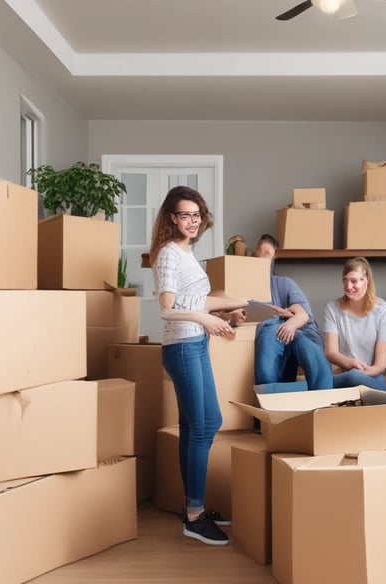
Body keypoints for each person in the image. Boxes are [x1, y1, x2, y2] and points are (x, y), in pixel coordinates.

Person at [149, 185, 248, 546]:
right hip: (182, 347)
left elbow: (196, 300)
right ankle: (194, 515)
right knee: (205, 424)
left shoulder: (186, 252)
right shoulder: (168, 254)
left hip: (194, 343)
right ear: (171, 218)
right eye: (185, 215)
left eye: (197, 215)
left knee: (197, 426)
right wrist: (206, 319)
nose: (192, 221)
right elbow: (166, 309)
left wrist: (230, 310)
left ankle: (193, 508)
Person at [251, 234, 333, 390]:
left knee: (318, 364)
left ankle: (326, 397)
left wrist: (291, 323)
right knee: (267, 374)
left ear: (273, 260)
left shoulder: (284, 283)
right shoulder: (244, 286)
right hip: (272, 332)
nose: (263, 260)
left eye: (268, 255)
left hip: (299, 330)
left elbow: (303, 314)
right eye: (260, 254)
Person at [323, 257, 386, 390]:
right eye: (345, 281)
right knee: (343, 377)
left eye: (354, 281)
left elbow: (379, 366)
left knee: (352, 377)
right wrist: (350, 363)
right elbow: (331, 352)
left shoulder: (383, 311)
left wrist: (358, 373)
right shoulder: (332, 309)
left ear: (366, 279)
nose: (348, 286)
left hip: (371, 376)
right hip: (344, 374)